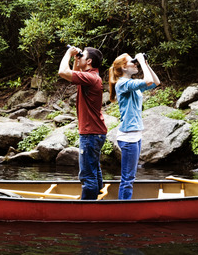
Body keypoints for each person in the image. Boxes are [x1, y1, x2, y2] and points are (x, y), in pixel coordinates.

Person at [108, 52, 160, 200]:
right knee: (128, 178)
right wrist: (142, 62)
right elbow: (148, 81)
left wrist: (147, 65)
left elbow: (155, 82)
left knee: (131, 176)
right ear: (124, 67)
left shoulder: (132, 85)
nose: (136, 63)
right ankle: (123, 209)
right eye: (133, 62)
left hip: (135, 134)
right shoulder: (123, 84)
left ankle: (124, 205)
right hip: (128, 136)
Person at [58, 45, 106, 200]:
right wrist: (76, 59)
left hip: (90, 133)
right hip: (95, 132)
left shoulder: (91, 78)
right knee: (94, 170)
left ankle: (87, 208)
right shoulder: (91, 76)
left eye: (82, 55)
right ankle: (98, 203)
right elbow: (74, 76)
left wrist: (68, 53)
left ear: (89, 61)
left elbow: (63, 72)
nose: (79, 57)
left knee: (87, 175)